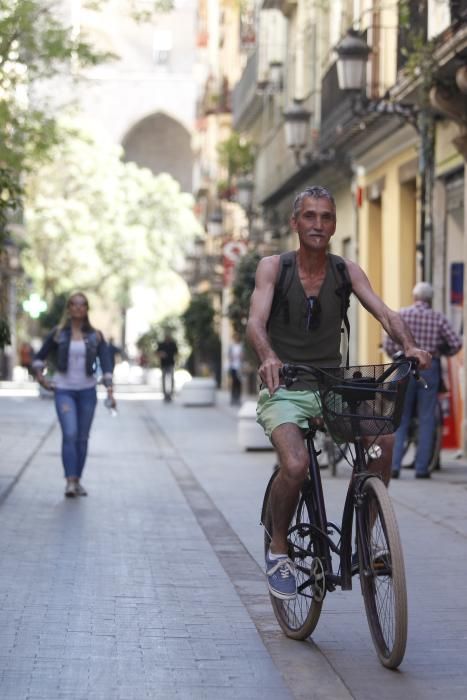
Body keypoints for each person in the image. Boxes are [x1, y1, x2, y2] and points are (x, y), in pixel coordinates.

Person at [246, 185, 431, 600]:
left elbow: (384, 312)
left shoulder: (346, 271)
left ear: (334, 224)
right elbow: (256, 323)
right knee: (294, 465)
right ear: (295, 223)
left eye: (326, 217)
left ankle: (364, 537)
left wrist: (411, 346)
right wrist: (269, 357)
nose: (318, 224)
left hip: (333, 385)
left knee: (382, 437)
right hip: (287, 386)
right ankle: (279, 549)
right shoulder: (274, 268)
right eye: (309, 216)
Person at [32, 292, 115, 498]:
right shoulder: (58, 333)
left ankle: (77, 480)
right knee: (70, 433)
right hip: (64, 390)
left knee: (82, 438)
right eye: (74, 304)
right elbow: (39, 358)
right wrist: (41, 377)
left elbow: (106, 364)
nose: (78, 308)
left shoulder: (96, 336)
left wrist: (110, 390)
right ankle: (69, 481)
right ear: (68, 308)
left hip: (87, 391)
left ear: (87, 309)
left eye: (82, 304)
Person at [383, 281, 462, 480]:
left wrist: (397, 354)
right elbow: (456, 343)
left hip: (404, 366)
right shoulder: (438, 318)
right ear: (430, 299)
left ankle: (394, 466)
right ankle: (422, 468)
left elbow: (388, 343)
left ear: (414, 297)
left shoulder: (402, 315)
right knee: (427, 417)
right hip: (429, 367)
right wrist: (441, 351)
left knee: (400, 416)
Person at [156, 330, 178, 402]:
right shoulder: (161, 344)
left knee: (171, 379)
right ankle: (165, 394)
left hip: (171, 363)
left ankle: (171, 393)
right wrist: (161, 354)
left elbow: (177, 353)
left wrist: (177, 361)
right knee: (163, 379)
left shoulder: (173, 344)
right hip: (163, 364)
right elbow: (157, 353)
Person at [228, 333, 244, 405]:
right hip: (233, 367)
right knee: (234, 382)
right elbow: (229, 356)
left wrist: (241, 356)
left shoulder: (241, 346)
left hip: (240, 368)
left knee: (239, 383)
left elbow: (243, 356)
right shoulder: (231, 346)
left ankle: (238, 398)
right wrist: (232, 357)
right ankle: (233, 398)